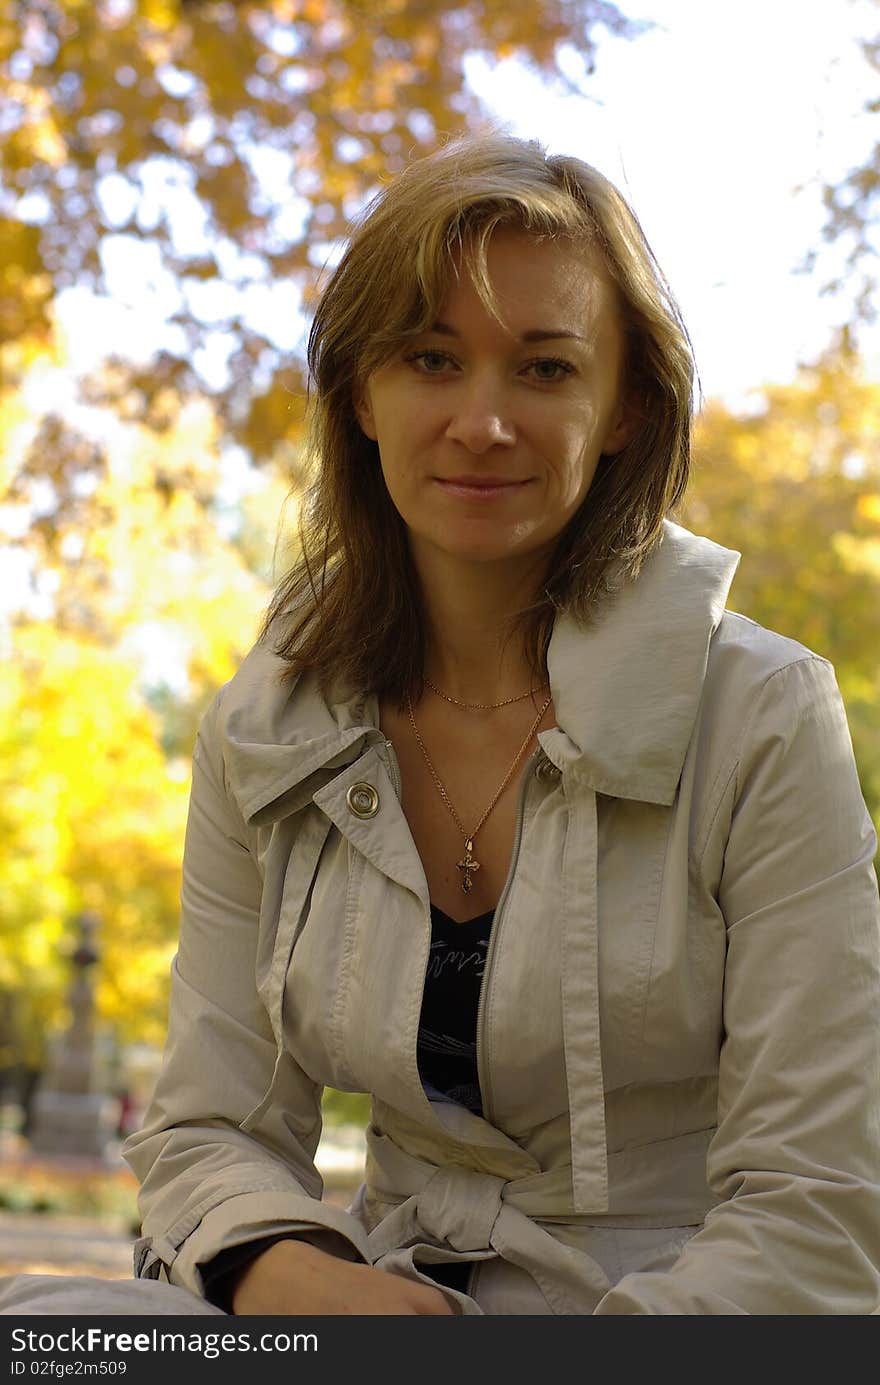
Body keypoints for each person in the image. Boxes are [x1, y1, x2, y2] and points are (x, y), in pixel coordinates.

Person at [2, 132, 879, 1317]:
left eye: (544, 368)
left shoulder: (763, 715)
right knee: (47, 1329)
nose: (480, 420)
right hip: (386, 1301)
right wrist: (281, 1269)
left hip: (675, 1315)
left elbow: (817, 1200)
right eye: (430, 356)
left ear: (623, 407)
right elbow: (211, 1120)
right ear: (362, 392)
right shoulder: (263, 726)